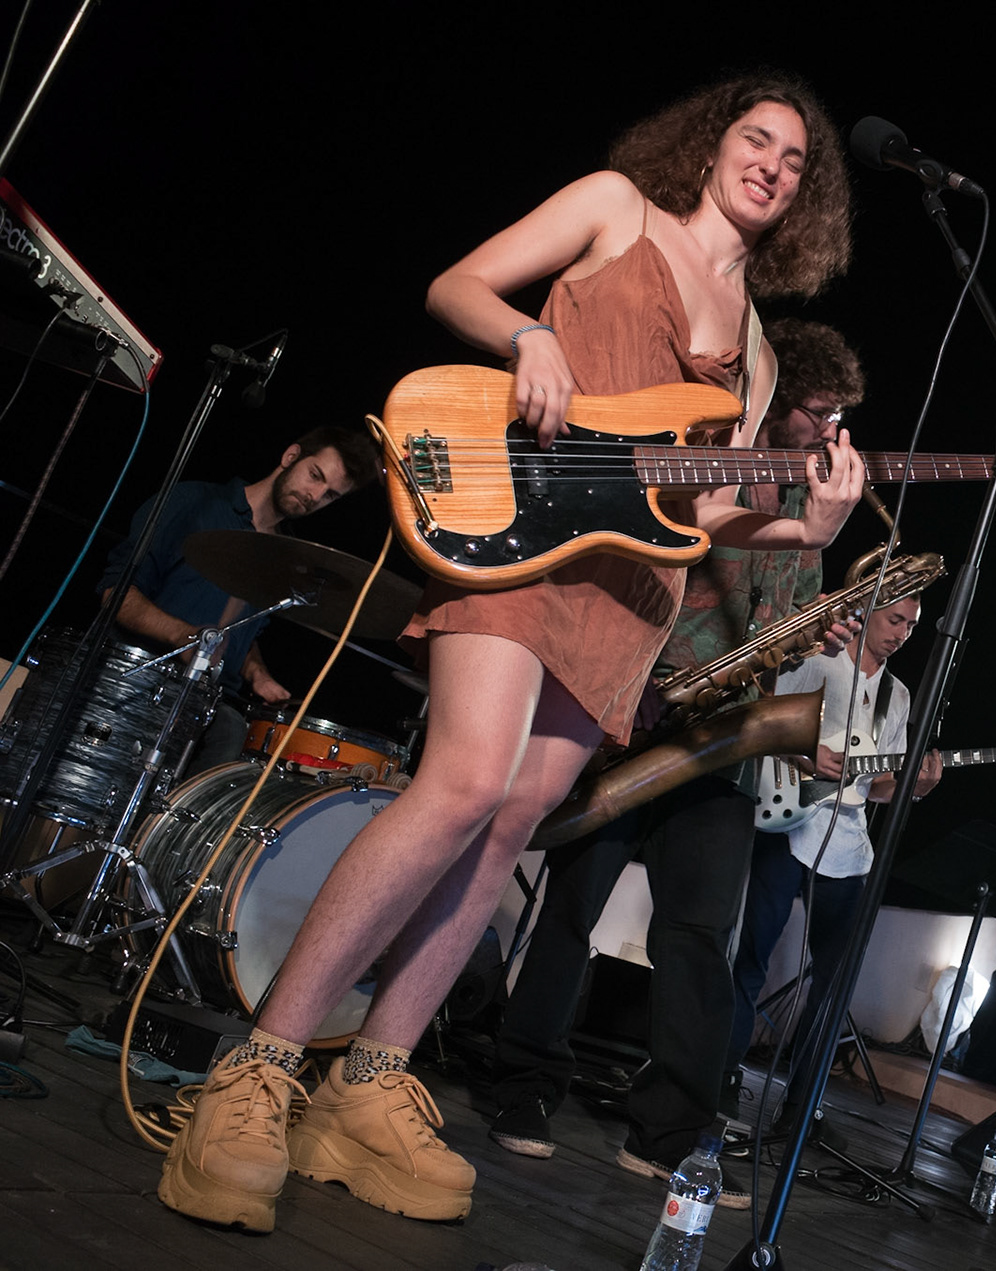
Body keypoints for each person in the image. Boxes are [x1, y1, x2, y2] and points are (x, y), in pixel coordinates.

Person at [156, 71, 859, 1234]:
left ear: (804, 201)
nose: (773, 166)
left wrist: (811, 522)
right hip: (518, 527)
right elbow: (456, 285)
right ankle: (258, 1065)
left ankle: (367, 1088)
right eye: (757, 140)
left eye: (795, 162)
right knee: (464, 782)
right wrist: (531, 331)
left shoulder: (764, 359)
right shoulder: (614, 209)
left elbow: (719, 506)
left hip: (628, 589)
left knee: (506, 830)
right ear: (713, 143)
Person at [487, 319, 870, 1207]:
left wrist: (814, 633)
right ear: (780, 406)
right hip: (638, 711)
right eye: (820, 410)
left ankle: (670, 1131)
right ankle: (522, 1087)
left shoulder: (808, 525)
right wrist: (647, 680)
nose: (832, 428)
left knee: (700, 938)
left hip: (722, 744)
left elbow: (773, 640)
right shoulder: (710, 475)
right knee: (569, 910)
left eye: (841, 413)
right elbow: (643, 576)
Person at [725, 594, 940, 1127]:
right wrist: (803, 756)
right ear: (867, 612)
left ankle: (801, 1108)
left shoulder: (899, 694)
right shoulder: (814, 662)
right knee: (750, 960)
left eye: (911, 627)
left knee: (835, 982)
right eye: (895, 620)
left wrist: (916, 787)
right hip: (786, 823)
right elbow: (763, 724)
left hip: (849, 848)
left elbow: (881, 785)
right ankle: (719, 1075)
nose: (902, 634)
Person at [96, 425, 381, 769]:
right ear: (291, 457)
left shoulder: (286, 558)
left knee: (235, 734)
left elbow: (239, 632)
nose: (315, 495)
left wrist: (256, 672)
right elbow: (117, 595)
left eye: (330, 495)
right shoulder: (194, 503)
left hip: (207, 707)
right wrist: (184, 638)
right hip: (136, 680)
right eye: (314, 475)